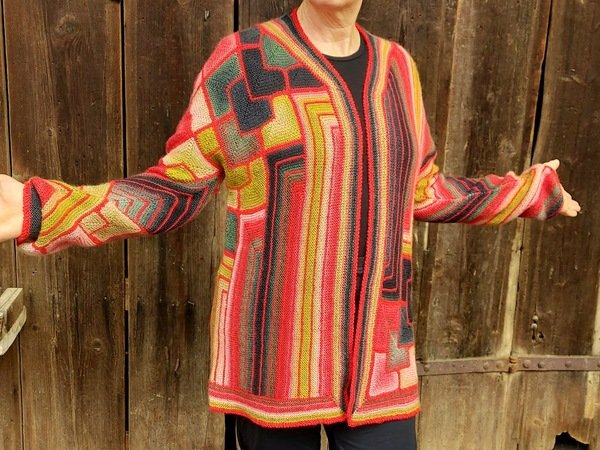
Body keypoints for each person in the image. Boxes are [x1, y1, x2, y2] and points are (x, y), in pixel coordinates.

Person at [0, 0, 581, 449]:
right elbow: (174, 188)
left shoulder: (400, 69)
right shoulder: (245, 62)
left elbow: (422, 190)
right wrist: (41, 209)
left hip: (380, 362)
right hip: (271, 360)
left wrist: (528, 192)